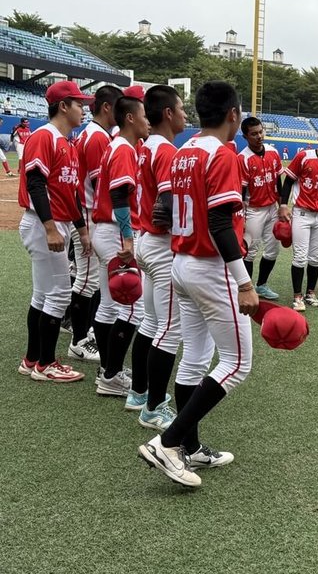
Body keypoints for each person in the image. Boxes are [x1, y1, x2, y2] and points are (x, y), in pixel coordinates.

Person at [138, 81, 259, 487]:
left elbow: (166, 209)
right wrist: (244, 282)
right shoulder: (221, 154)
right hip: (210, 266)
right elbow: (222, 223)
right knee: (237, 364)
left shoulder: (184, 150)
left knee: (194, 357)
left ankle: (188, 446)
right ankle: (169, 442)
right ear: (233, 114)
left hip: (182, 261)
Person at [17, 81, 93, 383]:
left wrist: (81, 229)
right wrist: (50, 228)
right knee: (59, 294)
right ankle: (46, 364)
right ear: (63, 106)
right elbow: (35, 182)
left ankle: (32, 359)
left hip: (54, 223)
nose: (83, 109)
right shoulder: (44, 137)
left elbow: (70, 192)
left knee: (42, 295)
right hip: (42, 223)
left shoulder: (67, 141)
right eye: (78, 103)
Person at [128, 85, 187, 429]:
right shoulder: (164, 150)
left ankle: (138, 393)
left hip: (145, 241)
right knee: (169, 329)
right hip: (161, 245)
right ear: (167, 113)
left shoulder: (147, 146)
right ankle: (153, 407)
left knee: (151, 323)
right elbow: (166, 205)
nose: (184, 114)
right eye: (180, 109)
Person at [91, 96, 149, 397]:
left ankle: (107, 370)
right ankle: (111, 376)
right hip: (115, 231)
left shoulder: (116, 144)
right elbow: (120, 198)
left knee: (109, 304)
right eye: (143, 116)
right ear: (129, 118)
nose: (147, 121)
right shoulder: (124, 148)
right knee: (132, 308)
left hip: (104, 229)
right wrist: (128, 237)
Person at [69, 85, 123, 366]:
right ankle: (78, 341)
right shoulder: (97, 138)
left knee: (91, 279)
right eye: (118, 107)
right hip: (90, 214)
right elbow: (98, 184)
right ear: (106, 107)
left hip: (90, 212)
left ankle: (84, 332)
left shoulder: (96, 134)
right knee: (87, 280)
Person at [279, 126, 318, 311]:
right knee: (300, 257)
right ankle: (297, 296)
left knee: (316, 258)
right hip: (302, 213)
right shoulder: (304, 157)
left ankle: (310, 293)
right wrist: (284, 204)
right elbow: (289, 180)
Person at [239, 116, 284, 300]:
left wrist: (282, 206)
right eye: (254, 134)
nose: (259, 136)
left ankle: (262, 285)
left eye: (260, 131)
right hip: (253, 210)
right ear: (245, 136)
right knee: (250, 251)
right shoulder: (242, 158)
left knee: (273, 248)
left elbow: (279, 182)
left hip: (272, 208)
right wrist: (241, 216)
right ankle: (246, 290)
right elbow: (241, 190)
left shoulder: (273, 152)